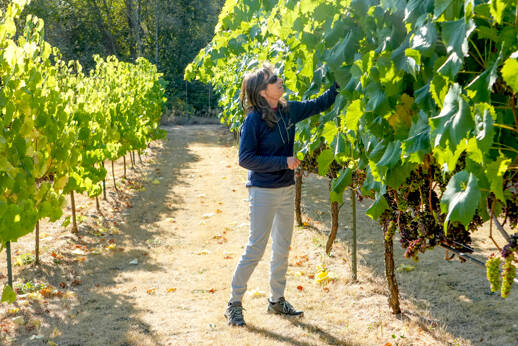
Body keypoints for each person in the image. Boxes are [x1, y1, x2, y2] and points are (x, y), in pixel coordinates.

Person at [224, 63, 339, 327]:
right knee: (256, 248)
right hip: (263, 190)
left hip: (286, 189)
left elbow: (319, 104)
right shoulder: (254, 119)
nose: (280, 80)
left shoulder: (288, 110)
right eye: (274, 79)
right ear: (263, 91)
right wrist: (282, 162)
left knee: (281, 247)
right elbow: (245, 158)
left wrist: (339, 82)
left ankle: (276, 301)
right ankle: (234, 303)